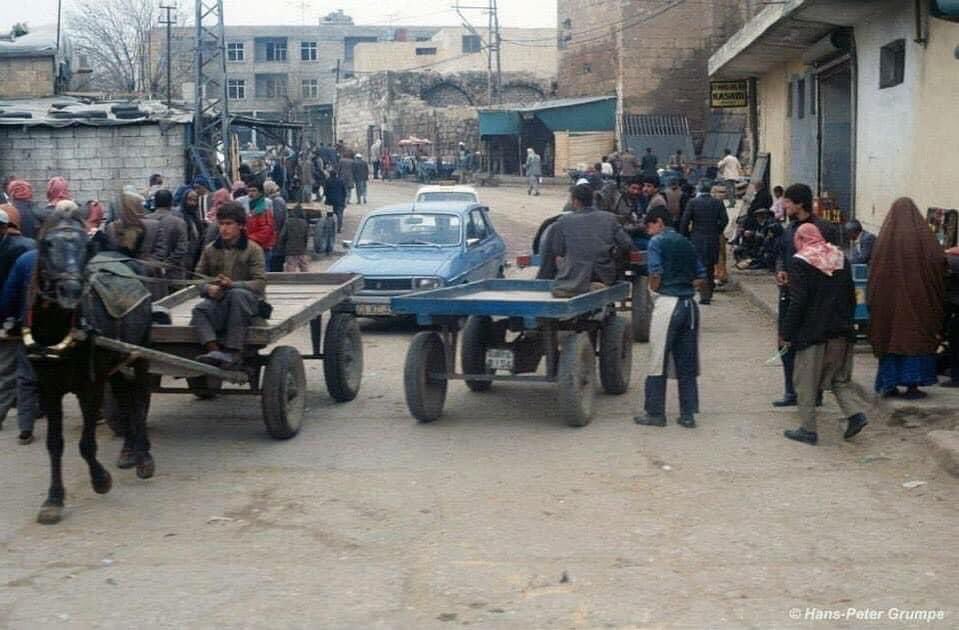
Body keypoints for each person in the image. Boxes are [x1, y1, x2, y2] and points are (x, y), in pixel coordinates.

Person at [781, 223, 868, 445]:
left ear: (800, 239)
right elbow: (851, 295)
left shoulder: (800, 262)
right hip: (842, 331)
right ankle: (855, 415)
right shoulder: (840, 257)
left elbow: (798, 301)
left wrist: (787, 332)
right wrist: (849, 324)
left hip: (814, 333)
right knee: (839, 378)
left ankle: (808, 429)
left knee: (806, 383)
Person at [634, 207, 706, 429]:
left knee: (657, 360)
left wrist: (655, 291)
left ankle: (655, 413)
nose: (649, 231)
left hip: (668, 303)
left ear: (658, 222)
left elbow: (655, 273)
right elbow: (701, 277)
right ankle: (687, 414)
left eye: (650, 226)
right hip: (690, 306)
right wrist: (684, 285)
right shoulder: (687, 242)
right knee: (687, 363)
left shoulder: (657, 242)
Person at [868, 198, 946, 399]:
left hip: (888, 306)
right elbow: (938, 260)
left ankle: (889, 384)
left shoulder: (884, 241)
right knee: (913, 338)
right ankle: (912, 385)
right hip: (918, 303)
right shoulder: (923, 238)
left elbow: (874, 274)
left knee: (890, 338)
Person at [773, 184, 841, 407]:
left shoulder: (824, 228)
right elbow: (782, 254)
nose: (784, 205)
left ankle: (814, 393)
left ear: (799, 204)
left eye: (788, 202)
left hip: (813, 300)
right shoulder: (790, 228)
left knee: (812, 347)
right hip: (789, 294)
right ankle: (791, 390)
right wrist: (781, 269)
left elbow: (832, 261)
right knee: (785, 343)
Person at [190, 202, 266, 369]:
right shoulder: (210, 249)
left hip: (250, 305)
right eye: (221, 224)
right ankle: (215, 352)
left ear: (240, 225)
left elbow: (259, 284)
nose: (224, 228)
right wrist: (208, 289)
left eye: (229, 224)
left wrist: (232, 284)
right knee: (199, 310)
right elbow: (197, 279)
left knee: (236, 294)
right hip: (221, 302)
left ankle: (234, 352)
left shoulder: (253, 250)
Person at [539, 183, 633, 297]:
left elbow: (559, 251)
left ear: (576, 201)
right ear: (592, 199)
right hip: (603, 275)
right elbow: (627, 244)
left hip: (572, 277)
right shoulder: (610, 218)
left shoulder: (563, 221)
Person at [0, 247, 40, 444]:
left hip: (31, 326)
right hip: (66, 328)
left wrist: (9, 318)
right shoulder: (77, 254)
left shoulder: (26, 259)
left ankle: (25, 428)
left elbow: (10, 295)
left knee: (26, 377)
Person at [679, 183, 728, 304]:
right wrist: (718, 230)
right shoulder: (718, 203)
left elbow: (685, 221)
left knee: (699, 266)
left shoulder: (693, 202)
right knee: (710, 266)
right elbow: (725, 220)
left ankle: (703, 294)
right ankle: (709, 293)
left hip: (697, 238)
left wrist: (685, 235)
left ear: (699, 189)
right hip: (712, 238)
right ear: (710, 190)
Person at [150, 190, 189, 286]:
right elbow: (181, 249)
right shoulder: (179, 222)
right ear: (171, 203)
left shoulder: (146, 221)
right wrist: (165, 266)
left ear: (155, 202)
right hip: (174, 276)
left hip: (150, 274)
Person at [245, 183, 277, 263]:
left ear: (260, 193)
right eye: (249, 191)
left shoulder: (263, 211)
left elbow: (265, 232)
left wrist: (248, 239)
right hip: (254, 248)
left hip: (262, 249)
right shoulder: (254, 208)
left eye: (253, 190)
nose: (251, 193)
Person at [263, 180, 287, 272]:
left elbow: (278, 221)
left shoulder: (276, 201)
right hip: (275, 239)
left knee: (275, 267)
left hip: (277, 240)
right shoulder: (274, 200)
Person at [324, 170, 348, 234]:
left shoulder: (327, 181)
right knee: (339, 215)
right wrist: (344, 200)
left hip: (329, 201)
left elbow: (325, 192)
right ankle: (339, 228)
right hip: (339, 201)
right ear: (336, 174)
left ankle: (329, 228)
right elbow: (344, 192)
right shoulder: (341, 181)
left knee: (329, 215)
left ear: (330, 174)